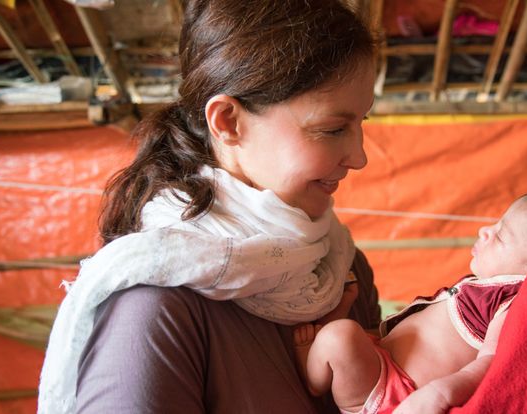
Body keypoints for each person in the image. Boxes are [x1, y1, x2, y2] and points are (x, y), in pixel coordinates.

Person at [38, 1, 381, 413]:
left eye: (362, 122)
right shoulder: (154, 309)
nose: (359, 157)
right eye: (332, 129)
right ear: (228, 122)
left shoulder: (341, 266)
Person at [293, 191, 527, 414]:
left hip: (397, 396)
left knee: (339, 336)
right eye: (495, 224)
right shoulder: (490, 286)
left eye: (501, 235)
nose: (484, 231)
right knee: (347, 334)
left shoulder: (517, 303)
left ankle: (314, 379)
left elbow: (490, 363)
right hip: (382, 360)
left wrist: (439, 394)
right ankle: (329, 347)